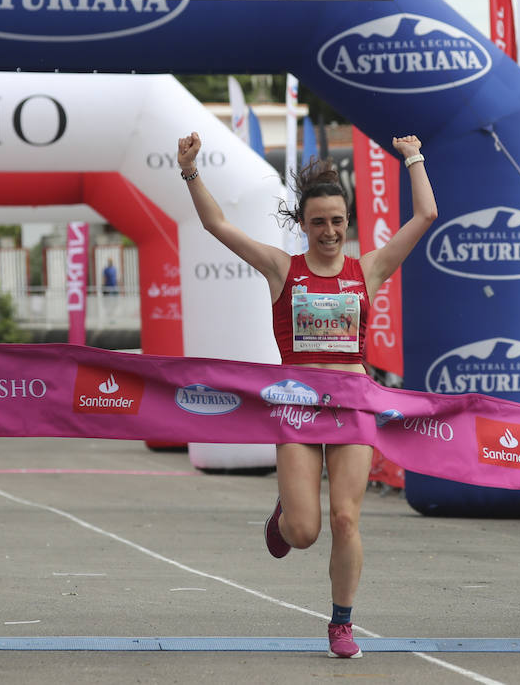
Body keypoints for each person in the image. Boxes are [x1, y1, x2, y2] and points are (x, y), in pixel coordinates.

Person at [176, 130, 436, 660]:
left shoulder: (367, 270)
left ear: (348, 222)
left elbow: (425, 216)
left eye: (338, 221)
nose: (330, 231)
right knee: (304, 531)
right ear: (303, 225)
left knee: (345, 518)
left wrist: (413, 159)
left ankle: (341, 623)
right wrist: (190, 171)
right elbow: (216, 224)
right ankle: (283, 515)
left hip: (352, 404)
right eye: (318, 222)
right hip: (295, 405)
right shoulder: (282, 269)